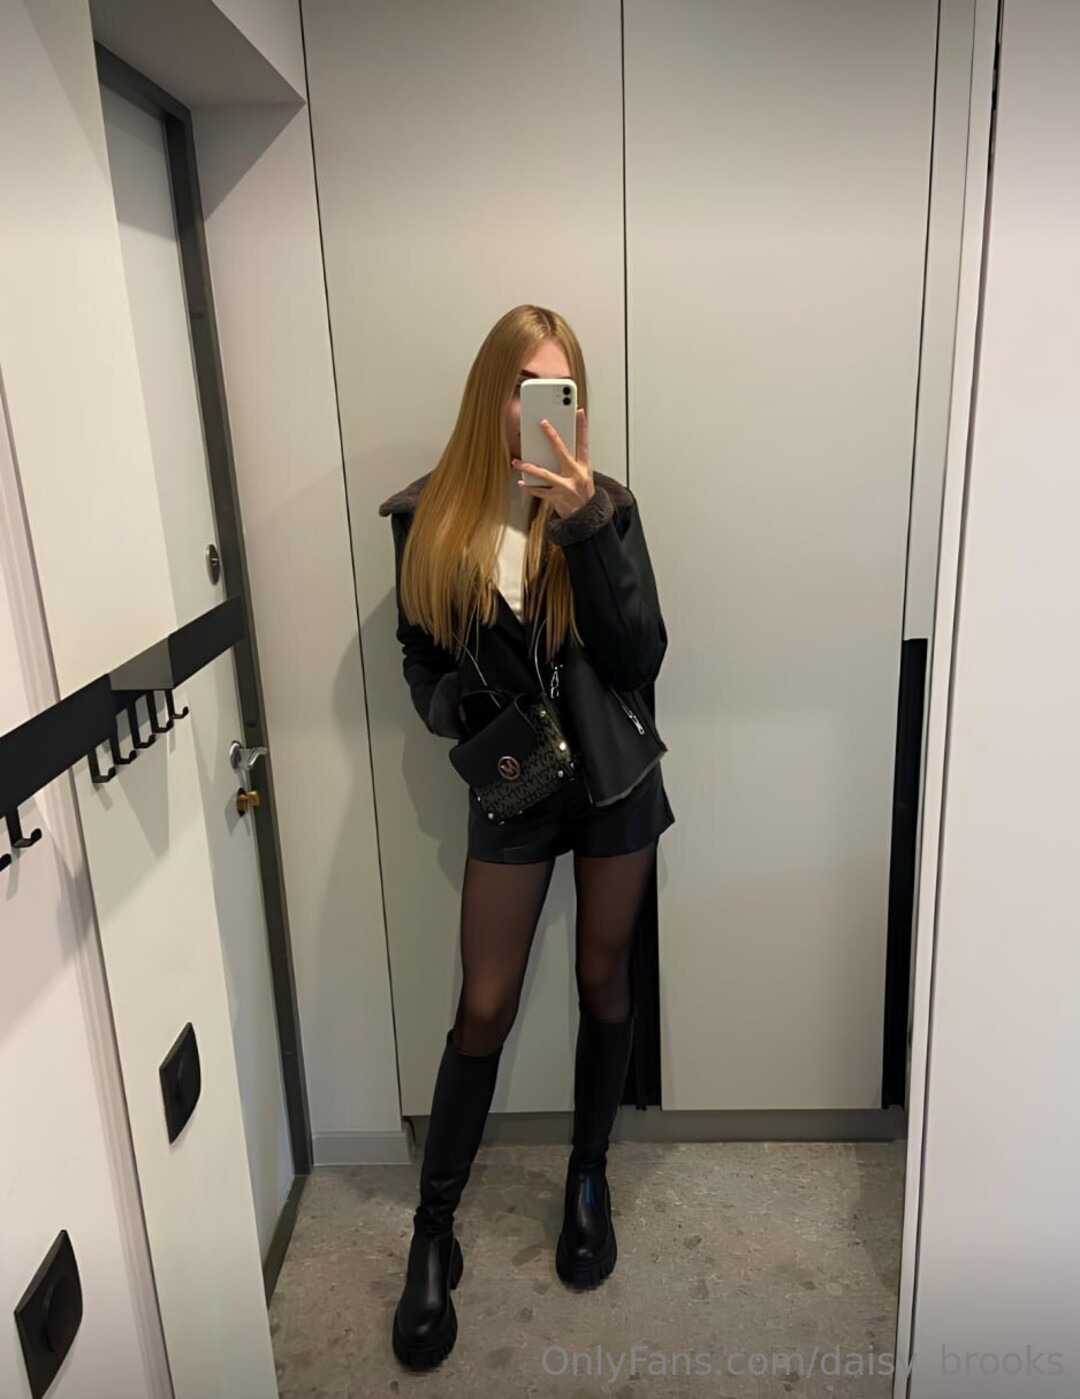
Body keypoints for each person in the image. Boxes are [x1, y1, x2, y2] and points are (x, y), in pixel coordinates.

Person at [377, 304, 675, 1370]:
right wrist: (457, 711)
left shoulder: (605, 507)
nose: (538, 406)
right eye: (524, 385)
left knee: (604, 980)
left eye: (560, 388)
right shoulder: (430, 516)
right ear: (491, 392)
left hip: (611, 780)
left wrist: (583, 522)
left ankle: (588, 1176)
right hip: (516, 783)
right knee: (485, 1003)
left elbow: (639, 655)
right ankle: (434, 1230)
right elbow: (419, 653)